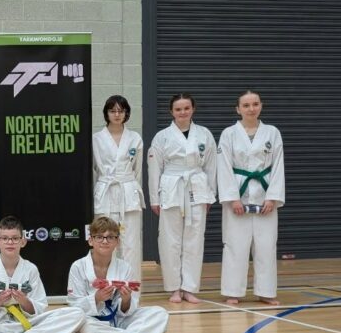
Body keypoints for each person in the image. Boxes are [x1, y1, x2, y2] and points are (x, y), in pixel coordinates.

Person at [67, 217, 178, 333]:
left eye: (110, 237)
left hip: (119, 320)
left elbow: (128, 309)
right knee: (87, 332)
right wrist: (95, 298)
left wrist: (126, 300)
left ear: (117, 242)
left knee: (160, 313)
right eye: (99, 237)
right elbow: (74, 307)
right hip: (93, 321)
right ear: (91, 240)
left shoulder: (124, 267)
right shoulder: (78, 267)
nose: (105, 241)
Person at [0, 216, 84, 333]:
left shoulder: (30, 269)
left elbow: (40, 305)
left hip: (29, 323)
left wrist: (25, 301)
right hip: (0, 325)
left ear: (23, 241)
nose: (10, 242)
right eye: (5, 238)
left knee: (77, 313)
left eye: (15, 238)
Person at [217, 91, 285, 306]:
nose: (251, 108)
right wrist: (232, 198)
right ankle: (233, 291)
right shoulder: (228, 133)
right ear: (238, 109)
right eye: (246, 105)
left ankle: (266, 291)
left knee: (266, 245)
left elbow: (278, 166)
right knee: (235, 245)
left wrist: (273, 197)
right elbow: (224, 167)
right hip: (238, 194)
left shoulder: (272, 133)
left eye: (255, 104)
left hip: (265, 194)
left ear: (261, 106)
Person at [147, 93, 217, 304]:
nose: (182, 112)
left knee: (195, 240)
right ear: (172, 112)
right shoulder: (162, 136)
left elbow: (211, 166)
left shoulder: (204, 134)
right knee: (170, 241)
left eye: (186, 108)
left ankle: (189, 287)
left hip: (197, 186)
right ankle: (173, 288)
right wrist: (154, 198)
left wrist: (210, 195)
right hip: (171, 188)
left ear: (193, 109)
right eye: (178, 109)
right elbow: (154, 168)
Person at [92, 95, 144, 280]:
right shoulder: (96, 139)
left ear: (126, 113)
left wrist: (131, 187)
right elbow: (94, 170)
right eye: (112, 111)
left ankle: (131, 290)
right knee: (105, 242)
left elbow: (137, 171)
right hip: (105, 191)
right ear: (106, 113)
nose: (116, 114)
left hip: (128, 192)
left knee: (131, 245)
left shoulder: (135, 138)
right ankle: (106, 287)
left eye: (120, 111)